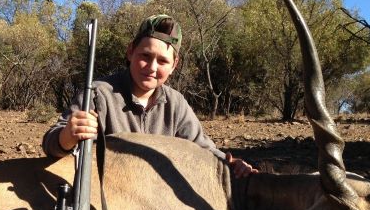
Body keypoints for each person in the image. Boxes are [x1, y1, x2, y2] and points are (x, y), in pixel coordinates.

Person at [41, 14, 257, 177]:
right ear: (130, 52)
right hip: (107, 199)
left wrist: (232, 163)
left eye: (162, 61)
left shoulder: (176, 104)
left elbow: (203, 149)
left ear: (174, 65)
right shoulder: (98, 93)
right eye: (145, 56)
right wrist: (67, 136)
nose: (152, 67)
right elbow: (51, 143)